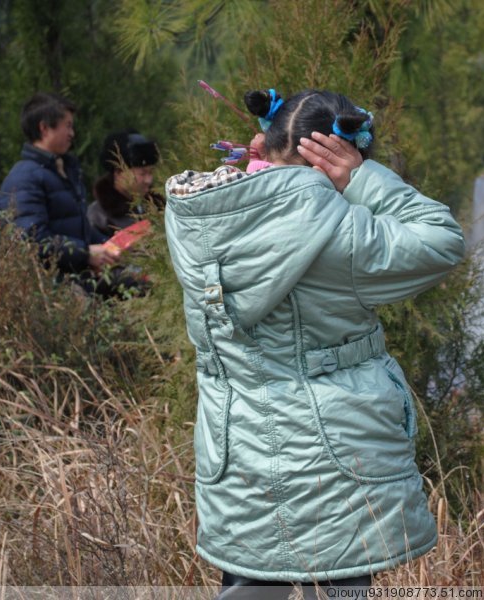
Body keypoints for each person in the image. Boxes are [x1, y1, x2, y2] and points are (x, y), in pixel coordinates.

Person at [164, 88, 465, 599]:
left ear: (270, 138)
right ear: (336, 151)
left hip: (237, 461)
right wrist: (362, 178)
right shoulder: (340, 234)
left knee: (247, 590)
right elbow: (442, 239)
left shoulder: (200, 216)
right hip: (332, 470)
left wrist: (264, 166)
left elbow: (267, 201)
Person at [0, 92, 135, 296]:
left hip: (80, 279)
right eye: (67, 125)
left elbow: (78, 228)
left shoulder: (63, 170)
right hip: (52, 292)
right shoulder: (24, 179)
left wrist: (113, 244)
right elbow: (31, 242)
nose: (72, 133)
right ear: (44, 128)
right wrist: (85, 254)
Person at [88, 129, 164, 237]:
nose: (149, 180)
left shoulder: (157, 208)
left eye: (151, 172)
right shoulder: (98, 216)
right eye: (142, 174)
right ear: (119, 173)